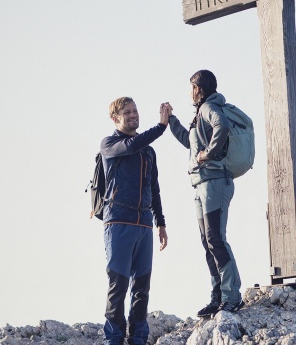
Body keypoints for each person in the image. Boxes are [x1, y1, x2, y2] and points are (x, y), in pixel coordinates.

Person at [165, 70, 242, 316]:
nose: (190, 92)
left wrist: (208, 154)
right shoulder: (201, 113)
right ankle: (217, 296)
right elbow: (190, 143)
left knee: (215, 239)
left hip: (215, 183)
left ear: (198, 88)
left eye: (191, 87)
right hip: (202, 184)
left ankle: (231, 296)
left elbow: (223, 125)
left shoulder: (209, 107)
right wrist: (171, 120)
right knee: (208, 241)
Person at [99, 97, 172, 345]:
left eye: (135, 111)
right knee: (118, 285)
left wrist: (160, 223)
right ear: (115, 119)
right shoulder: (109, 144)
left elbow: (154, 188)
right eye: (127, 112)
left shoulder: (148, 151)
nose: (134, 115)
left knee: (142, 286)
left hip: (144, 224)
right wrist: (160, 127)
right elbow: (130, 146)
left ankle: (138, 337)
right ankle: (113, 338)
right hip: (118, 221)